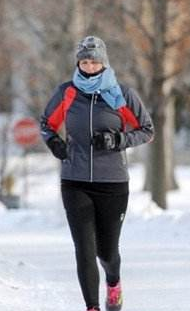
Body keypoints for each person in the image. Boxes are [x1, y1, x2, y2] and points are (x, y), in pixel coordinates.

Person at [40, 35, 154, 311]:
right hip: (74, 181)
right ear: (78, 62)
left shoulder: (121, 93)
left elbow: (146, 130)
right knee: (84, 249)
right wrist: (54, 142)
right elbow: (46, 123)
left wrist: (117, 141)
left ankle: (113, 282)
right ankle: (92, 306)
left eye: (94, 61)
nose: (89, 67)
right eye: (85, 61)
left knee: (107, 251)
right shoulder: (67, 92)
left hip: (112, 183)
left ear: (104, 63)